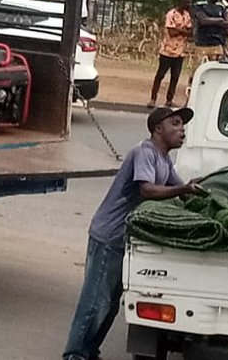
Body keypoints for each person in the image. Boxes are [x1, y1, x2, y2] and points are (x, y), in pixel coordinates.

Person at [62, 107, 202, 360]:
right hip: (109, 237)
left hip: (123, 239)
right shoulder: (144, 153)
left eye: (183, 125)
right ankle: (75, 355)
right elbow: (147, 190)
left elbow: (180, 191)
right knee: (96, 303)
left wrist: (197, 191)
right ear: (158, 128)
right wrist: (184, 188)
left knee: (110, 304)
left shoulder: (163, 159)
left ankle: (89, 352)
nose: (182, 130)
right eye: (176, 123)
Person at [148, 0, 192, 109]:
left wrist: (179, 30)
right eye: (187, 2)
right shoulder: (171, 14)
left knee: (175, 77)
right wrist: (183, 31)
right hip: (167, 50)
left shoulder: (187, 15)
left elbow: (189, 32)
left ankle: (169, 100)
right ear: (180, 2)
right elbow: (172, 33)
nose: (189, 4)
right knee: (160, 75)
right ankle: (153, 99)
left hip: (180, 52)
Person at [191, 0, 228, 67]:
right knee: (198, 69)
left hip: (217, 43)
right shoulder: (200, 5)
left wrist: (210, 20)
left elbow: (226, 23)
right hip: (202, 43)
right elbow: (202, 21)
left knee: (215, 70)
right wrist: (219, 20)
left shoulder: (221, 7)